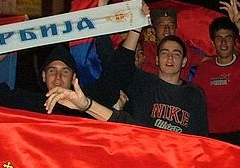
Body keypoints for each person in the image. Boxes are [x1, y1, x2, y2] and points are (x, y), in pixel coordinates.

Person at [47, 29, 209, 136]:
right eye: (164, 53)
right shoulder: (141, 82)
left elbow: (202, 138)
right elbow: (113, 61)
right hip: (141, 158)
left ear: (184, 61)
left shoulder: (194, 94)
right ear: (157, 59)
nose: (170, 58)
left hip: (178, 163)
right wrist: (132, 27)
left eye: (176, 54)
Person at [0, 42, 120, 116]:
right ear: (43, 76)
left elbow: (116, 73)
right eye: (52, 71)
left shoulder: (89, 103)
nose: (58, 77)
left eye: (65, 71)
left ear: (73, 78)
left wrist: (102, 8)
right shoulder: (29, 103)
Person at [192, 0, 240, 145]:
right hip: (212, 137)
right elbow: (195, 102)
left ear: (235, 41)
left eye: (228, 38)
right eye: (219, 38)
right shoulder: (204, 69)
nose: (223, 43)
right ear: (212, 42)